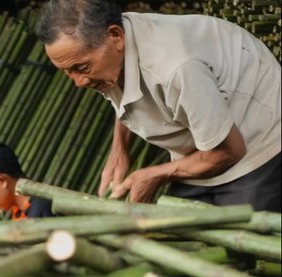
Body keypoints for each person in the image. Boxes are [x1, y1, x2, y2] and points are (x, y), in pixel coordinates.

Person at [36, 0, 281, 211]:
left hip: (254, 139)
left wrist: (155, 174)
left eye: (81, 68)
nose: (78, 82)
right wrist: (119, 150)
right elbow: (127, 94)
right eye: (66, 72)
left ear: (115, 36)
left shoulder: (176, 67)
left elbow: (230, 151)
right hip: (201, 141)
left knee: (242, 251)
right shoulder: (108, 51)